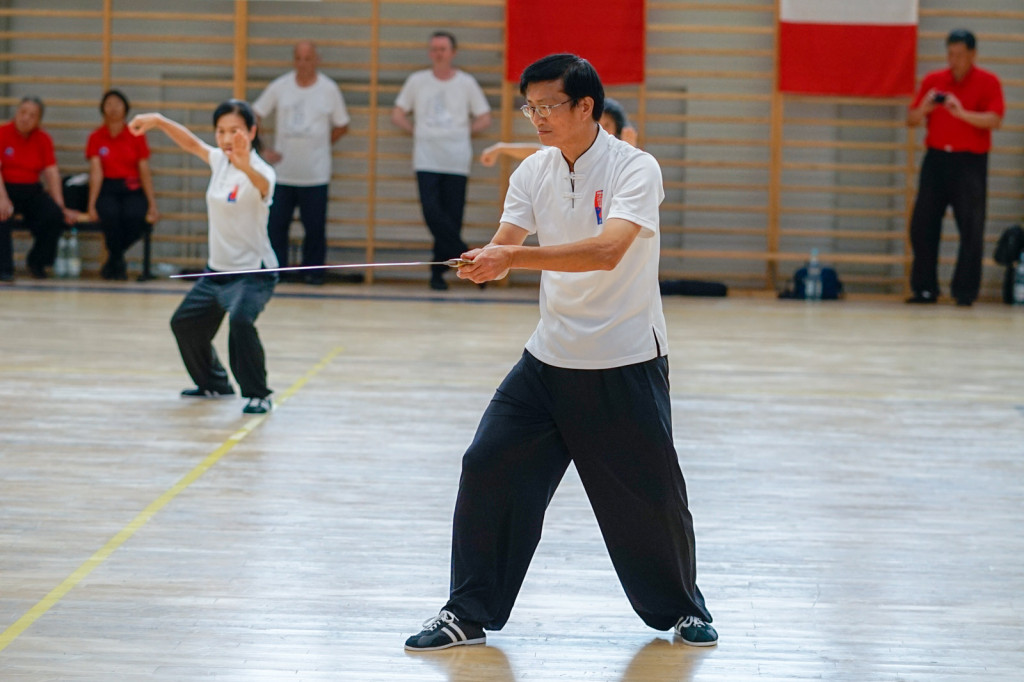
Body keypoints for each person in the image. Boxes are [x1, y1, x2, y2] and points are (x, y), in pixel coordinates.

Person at [404, 54, 716, 651]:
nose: (538, 117)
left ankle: (682, 610)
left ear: (586, 108)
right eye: (531, 106)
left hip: (624, 358)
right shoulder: (534, 172)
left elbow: (606, 251)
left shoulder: (635, 168)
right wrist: (485, 262)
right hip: (548, 360)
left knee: (649, 497)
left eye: (549, 106)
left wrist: (512, 260)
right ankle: (467, 611)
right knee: (488, 464)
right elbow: (506, 244)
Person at [128, 100, 278, 415]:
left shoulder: (261, 171)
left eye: (234, 130)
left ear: (251, 131)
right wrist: (157, 120)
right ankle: (215, 383)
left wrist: (245, 166)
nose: (226, 138)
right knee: (184, 324)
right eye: (221, 131)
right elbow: (191, 143)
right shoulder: (218, 161)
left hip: (253, 274)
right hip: (216, 273)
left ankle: (258, 394)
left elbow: (263, 186)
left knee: (240, 322)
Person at [906, 29, 1004, 307]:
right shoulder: (933, 81)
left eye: (960, 54)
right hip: (936, 159)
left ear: (973, 54)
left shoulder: (988, 82)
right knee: (922, 225)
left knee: (971, 228)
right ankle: (925, 289)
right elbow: (911, 120)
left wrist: (961, 113)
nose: (954, 60)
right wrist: (925, 108)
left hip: (970, 162)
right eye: (950, 54)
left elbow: (994, 120)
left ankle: (964, 292)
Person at [391, 30, 492, 290]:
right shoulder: (417, 81)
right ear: (429, 52)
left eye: (443, 49)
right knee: (432, 213)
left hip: (456, 160)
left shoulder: (466, 83)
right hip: (426, 158)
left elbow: (484, 117)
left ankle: (438, 273)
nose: (438, 53)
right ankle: (469, 256)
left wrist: (462, 132)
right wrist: (416, 131)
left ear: (453, 53)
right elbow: (398, 113)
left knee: (452, 218)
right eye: (434, 48)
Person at [253, 40, 350, 285]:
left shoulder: (328, 89)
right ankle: (277, 271)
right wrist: (264, 149)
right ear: (294, 60)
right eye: (299, 58)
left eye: (308, 58)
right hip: (283, 172)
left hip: (315, 173)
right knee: (277, 226)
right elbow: (254, 114)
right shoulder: (281, 86)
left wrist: (323, 143)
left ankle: (314, 273)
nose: (303, 63)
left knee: (315, 228)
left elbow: (342, 124)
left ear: (317, 59)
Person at [0, 96, 78, 281]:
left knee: (53, 215)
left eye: (32, 115)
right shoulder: (2, 133)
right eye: (23, 112)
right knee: (1, 215)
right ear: (16, 112)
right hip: (4, 188)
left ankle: (37, 262)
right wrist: (2, 199)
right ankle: (4, 268)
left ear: (38, 120)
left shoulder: (43, 139)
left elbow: (51, 173)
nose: (25, 118)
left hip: (31, 190)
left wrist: (60, 206)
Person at [86, 89, 159, 280]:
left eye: (117, 103)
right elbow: (96, 173)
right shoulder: (96, 137)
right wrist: (92, 204)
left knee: (135, 217)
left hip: (132, 188)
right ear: (102, 108)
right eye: (108, 104)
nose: (113, 108)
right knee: (110, 215)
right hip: (107, 188)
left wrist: (152, 203)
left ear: (126, 108)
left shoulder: (136, 135)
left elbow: (144, 170)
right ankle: (116, 262)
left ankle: (113, 260)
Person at [480, 97, 638, 166]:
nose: (602, 129)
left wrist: (629, 153)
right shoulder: (577, 149)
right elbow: (538, 153)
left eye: (607, 125)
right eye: (597, 124)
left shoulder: (628, 154)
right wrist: (501, 148)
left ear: (618, 128)